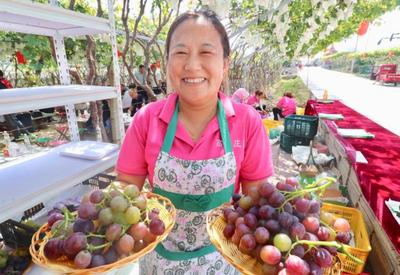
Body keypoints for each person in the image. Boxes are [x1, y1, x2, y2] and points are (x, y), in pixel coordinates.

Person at [116, 9, 273, 274]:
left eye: (206, 52)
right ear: (167, 63)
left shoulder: (247, 122)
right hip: (159, 264)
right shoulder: (146, 120)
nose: (191, 65)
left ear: (225, 64)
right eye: (180, 52)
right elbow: (124, 195)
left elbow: (257, 205)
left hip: (224, 262)